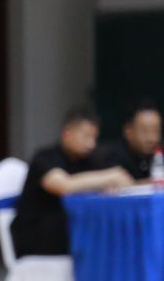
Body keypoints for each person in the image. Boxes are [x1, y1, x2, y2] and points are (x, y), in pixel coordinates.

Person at [10, 105, 134, 258]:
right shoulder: (45, 158)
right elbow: (64, 186)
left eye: (94, 138)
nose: (91, 144)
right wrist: (109, 177)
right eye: (86, 137)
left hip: (71, 233)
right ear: (67, 134)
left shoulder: (90, 161)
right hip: (38, 237)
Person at [100, 99, 161, 180]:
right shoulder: (114, 158)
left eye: (156, 130)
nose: (151, 138)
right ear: (128, 131)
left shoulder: (159, 154)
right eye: (144, 131)